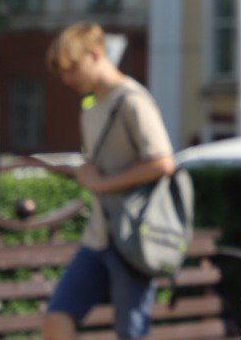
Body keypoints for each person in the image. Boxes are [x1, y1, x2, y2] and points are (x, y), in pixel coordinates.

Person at [42, 22, 177, 340]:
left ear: (95, 54)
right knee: (55, 319)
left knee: (131, 333)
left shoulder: (132, 100)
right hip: (98, 237)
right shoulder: (91, 107)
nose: (67, 80)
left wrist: (101, 183)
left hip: (131, 237)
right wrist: (87, 173)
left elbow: (163, 162)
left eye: (72, 68)